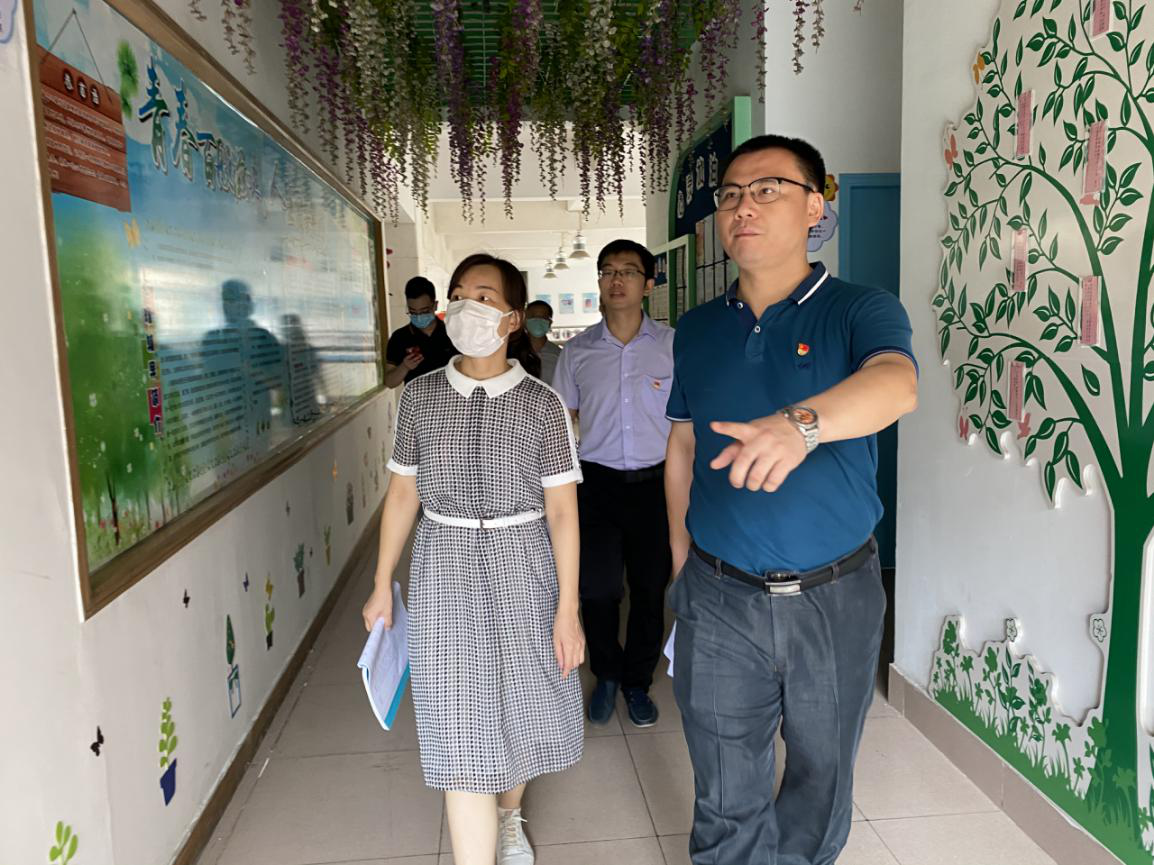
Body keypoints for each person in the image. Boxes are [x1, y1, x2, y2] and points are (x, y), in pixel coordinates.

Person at [664, 134, 918, 864]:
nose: (743, 206)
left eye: (767, 189)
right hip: (717, 594)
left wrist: (800, 425)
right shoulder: (697, 329)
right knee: (723, 786)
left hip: (834, 596)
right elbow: (682, 446)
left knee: (821, 776)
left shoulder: (858, 308)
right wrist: (681, 559)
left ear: (815, 206)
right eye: (730, 195)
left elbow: (897, 384)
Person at [362, 254, 584, 865]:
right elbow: (402, 494)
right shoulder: (421, 396)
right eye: (458, 293)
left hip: (524, 563)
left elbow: (563, 513)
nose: (466, 306)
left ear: (513, 318)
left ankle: (509, 815)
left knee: (522, 700)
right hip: (444, 565)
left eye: (484, 297)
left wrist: (568, 610)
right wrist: (381, 583)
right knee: (457, 718)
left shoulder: (542, 404)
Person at [552, 239, 675, 728]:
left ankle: (636, 682)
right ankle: (606, 673)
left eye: (628, 271)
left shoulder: (672, 346)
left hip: (656, 486)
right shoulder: (577, 352)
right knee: (597, 588)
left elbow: (687, 425)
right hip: (597, 485)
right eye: (607, 271)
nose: (616, 280)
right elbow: (563, 421)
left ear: (648, 284)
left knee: (649, 588)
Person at [384, 276, 457, 388]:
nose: (418, 316)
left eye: (424, 311)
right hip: (416, 398)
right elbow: (389, 383)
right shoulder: (399, 338)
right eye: (413, 312)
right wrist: (404, 367)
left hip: (450, 397)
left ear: (435, 305)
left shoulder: (453, 333)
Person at [525, 300, 562, 384]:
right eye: (533, 316)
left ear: (550, 323)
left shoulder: (559, 355)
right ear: (524, 320)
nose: (538, 321)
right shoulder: (512, 353)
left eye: (543, 317)